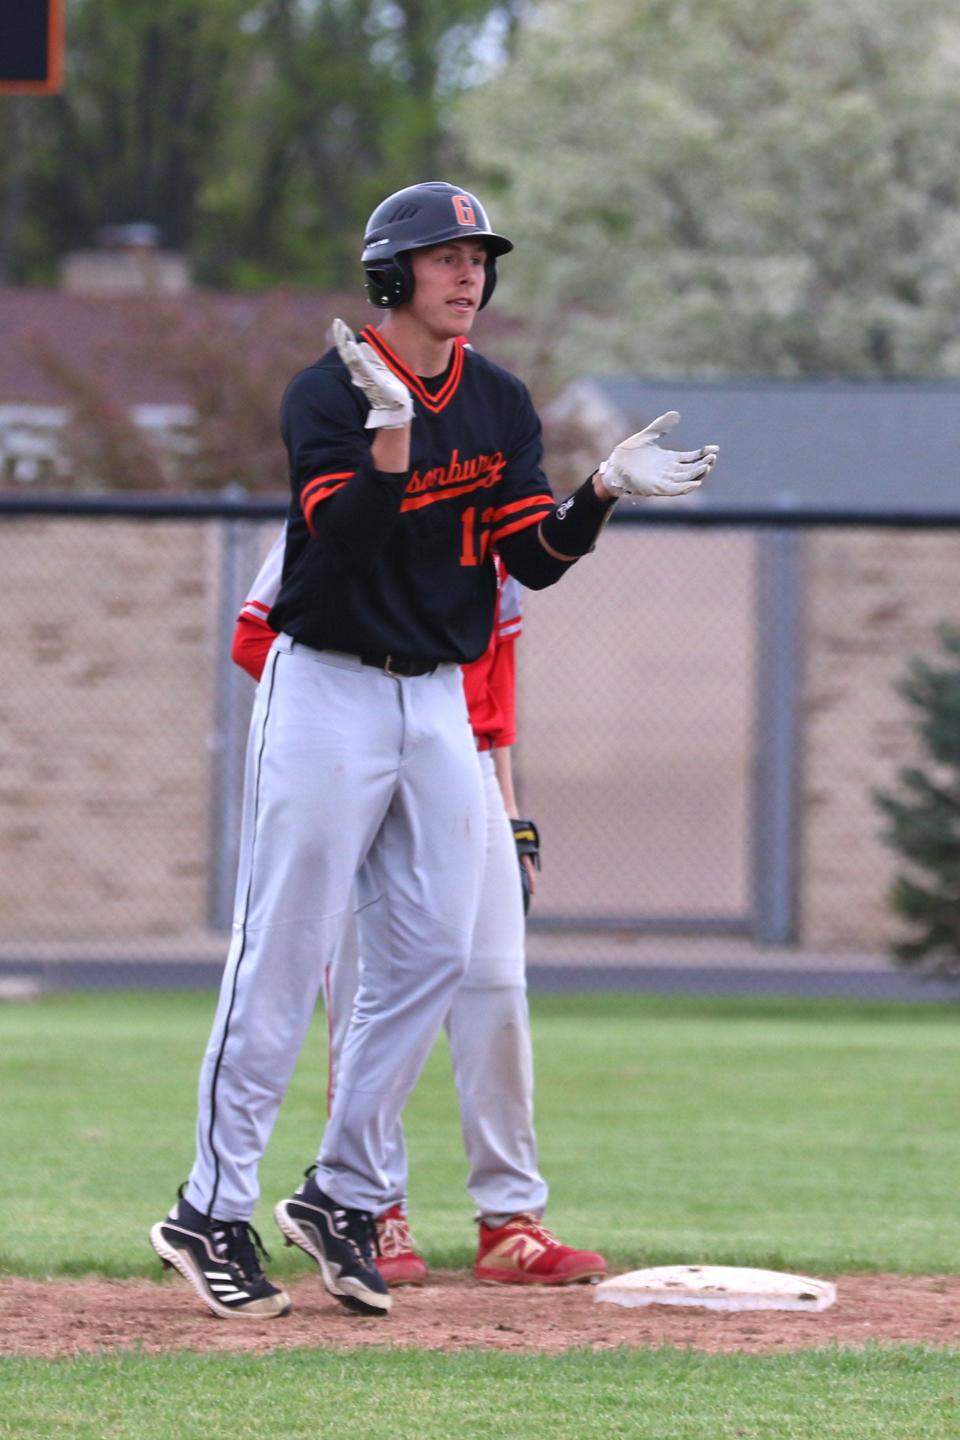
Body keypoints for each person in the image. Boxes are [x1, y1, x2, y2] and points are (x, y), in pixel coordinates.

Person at [150, 179, 718, 1322]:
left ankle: (343, 1194)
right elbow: (344, 535)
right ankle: (210, 1209)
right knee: (282, 950)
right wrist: (391, 434)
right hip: (326, 690)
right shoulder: (330, 390)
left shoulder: (500, 398)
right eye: (445, 256)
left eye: (479, 257)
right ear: (388, 275)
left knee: (438, 954)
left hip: (438, 704)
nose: (469, 274)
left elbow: (535, 558)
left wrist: (600, 492)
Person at [231, 522, 606, 1289]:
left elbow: (494, 687)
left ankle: (510, 1222)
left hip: (461, 765)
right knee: (371, 996)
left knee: (496, 986)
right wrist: (339, 732)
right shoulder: (338, 508)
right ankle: (369, 1208)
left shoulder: (497, 531)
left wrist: (511, 814)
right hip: (356, 758)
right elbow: (253, 638)